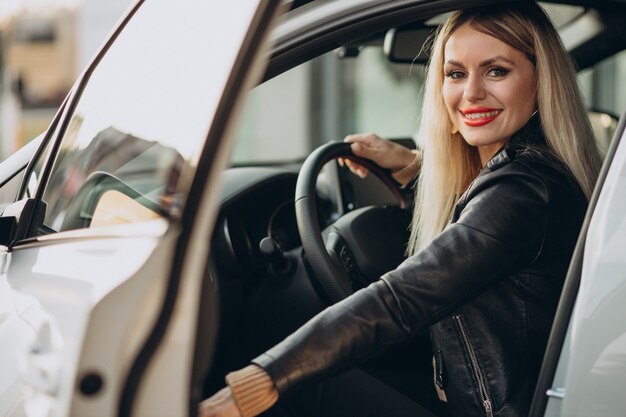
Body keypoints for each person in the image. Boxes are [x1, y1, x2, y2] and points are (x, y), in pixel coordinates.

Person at [200, 2, 602, 417]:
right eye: (456, 73)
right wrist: (413, 167)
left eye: (497, 70)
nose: (471, 93)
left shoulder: (524, 190)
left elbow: (400, 300)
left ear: (541, 81)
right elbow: (481, 226)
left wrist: (260, 381)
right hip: (481, 396)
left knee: (297, 386)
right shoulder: (537, 172)